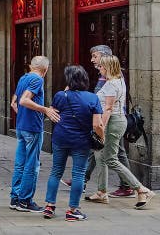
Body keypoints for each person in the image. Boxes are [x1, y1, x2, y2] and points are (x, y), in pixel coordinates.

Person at [85, 55, 155, 209]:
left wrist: (101, 127)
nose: (99, 69)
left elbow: (108, 108)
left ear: (108, 67)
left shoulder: (111, 84)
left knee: (110, 159)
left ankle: (141, 189)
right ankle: (102, 192)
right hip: (116, 121)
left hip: (112, 123)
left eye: (101, 67)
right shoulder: (118, 81)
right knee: (99, 155)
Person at [66, 45, 134, 197]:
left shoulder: (112, 78)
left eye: (95, 56)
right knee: (98, 151)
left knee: (113, 155)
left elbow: (108, 106)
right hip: (109, 119)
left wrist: (100, 125)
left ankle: (131, 186)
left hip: (111, 120)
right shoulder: (106, 75)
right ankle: (87, 181)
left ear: (104, 58)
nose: (92, 60)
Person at [42, 66, 103, 222]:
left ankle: (49, 206)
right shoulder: (92, 98)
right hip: (81, 141)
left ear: (68, 80)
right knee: (78, 174)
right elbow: (98, 125)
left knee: (56, 171)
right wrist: (101, 138)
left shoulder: (60, 95)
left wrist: (66, 91)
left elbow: (53, 114)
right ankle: (72, 210)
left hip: (60, 138)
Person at [9, 55, 59, 213]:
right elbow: (23, 101)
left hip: (21, 126)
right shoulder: (38, 80)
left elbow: (14, 102)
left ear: (31, 66)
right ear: (45, 69)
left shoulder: (23, 78)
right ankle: (25, 201)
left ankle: (15, 198)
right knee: (32, 165)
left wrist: (23, 114)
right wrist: (45, 110)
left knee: (20, 164)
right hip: (32, 128)